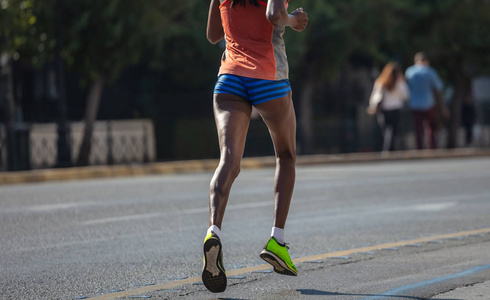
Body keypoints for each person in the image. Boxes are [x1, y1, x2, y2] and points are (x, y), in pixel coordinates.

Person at [203, 0, 308, 293]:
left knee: (228, 160)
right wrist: (292, 20)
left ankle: (214, 231)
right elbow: (274, 14)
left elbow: (213, 35)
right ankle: (277, 240)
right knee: (286, 155)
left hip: (230, 79)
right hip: (268, 78)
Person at [405, 52, 444, 149]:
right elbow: (438, 87)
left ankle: (419, 147)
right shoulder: (430, 71)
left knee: (417, 128)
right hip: (428, 103)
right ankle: (431, 147)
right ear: (426, 61)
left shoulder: (409, 72)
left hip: (414, 103)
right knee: (429, 127)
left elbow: (406, 88)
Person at [367, 62, 410, 152]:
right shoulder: (399, 83)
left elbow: (375, 96)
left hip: (384, 110)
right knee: (393, 131)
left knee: (387, 131)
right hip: (395, 110)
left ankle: (389, 149)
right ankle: (389, 149)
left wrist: (372, 106)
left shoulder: (380, 82)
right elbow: (406, 95)